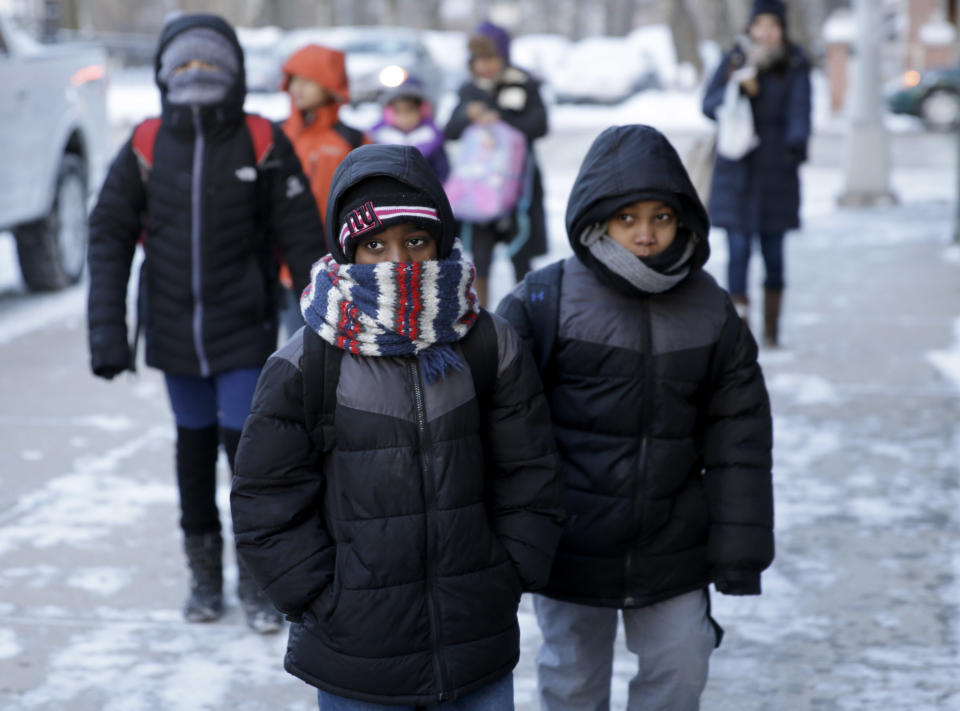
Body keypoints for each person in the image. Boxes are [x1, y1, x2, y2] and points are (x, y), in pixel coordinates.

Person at [230, 143, 565, 709]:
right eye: (374, 245)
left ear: (440, 242)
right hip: (354, 653)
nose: (397, 262)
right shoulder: (307, 360)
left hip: (473, 642)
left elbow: (529, 470)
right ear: (347, 252)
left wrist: (508, 572)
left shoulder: (487, 341)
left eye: (415, 241)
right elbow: (267, 498)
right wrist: (321, 597)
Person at [497, 124, 774, 711]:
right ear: (598, 219)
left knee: (681, 668)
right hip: (570, 543)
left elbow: (739, 439)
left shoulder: (710, 310)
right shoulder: (542, 301)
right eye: (627, 219)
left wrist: (740, 550)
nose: (645, 236)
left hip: (673, 543)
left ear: (683, 220)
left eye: (660, 217)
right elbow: (500, 429)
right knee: (571, 680)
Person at [86, 13, 326, 633]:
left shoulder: (261, 139)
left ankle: (257, 579)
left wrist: (332, 329)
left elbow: (303, 242)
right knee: (192, 456)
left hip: (243, 330)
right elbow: (108, 234)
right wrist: (107, 331)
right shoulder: (145, 143)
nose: (197, 75)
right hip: (171, 335)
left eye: (209, 64)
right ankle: (202, 578)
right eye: (183, 65)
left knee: (248, 460)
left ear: (235, 72)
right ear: (165, 75)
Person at [702, 0, 812, 347]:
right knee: (737, 251)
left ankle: (772, 328)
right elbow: (708, 104)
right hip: (737, 172)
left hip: (776, 172)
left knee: (774, 253)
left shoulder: (793, 62)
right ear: (750, 27)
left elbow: (800, 109)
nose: (766, 31)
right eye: (759, 24)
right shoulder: (735, 58)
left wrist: (795, 146)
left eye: (773, 25)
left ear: (782, 28)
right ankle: (739, 333)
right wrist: (737, 88)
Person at [444, 20, 549, 308]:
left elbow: (540, 125)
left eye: (490, 58)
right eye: (479, 60)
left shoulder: (523, 83)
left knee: (522, 255)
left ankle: (529, 312)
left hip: (518, 188)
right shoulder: (469, 90)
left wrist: (501, 117)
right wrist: (469, 114)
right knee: (480, 258)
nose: (485, 66)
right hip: (480, 191)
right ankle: (481, 316)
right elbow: (450, 130)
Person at [277, 43, 370, 338]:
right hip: (282, 268)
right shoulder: (276, 136)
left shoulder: (352, 140)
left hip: (335, 267)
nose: (298, 88)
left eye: (308, 79)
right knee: (296, 349)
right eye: (294, 79)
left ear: (330, 86)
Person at [369, 76, 450, 182]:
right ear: (388, 114)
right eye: (399, 111)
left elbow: (442, 171)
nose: (405, 117)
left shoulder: (431, 137)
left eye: (410, 110)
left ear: (422, 111)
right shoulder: (378, 139)